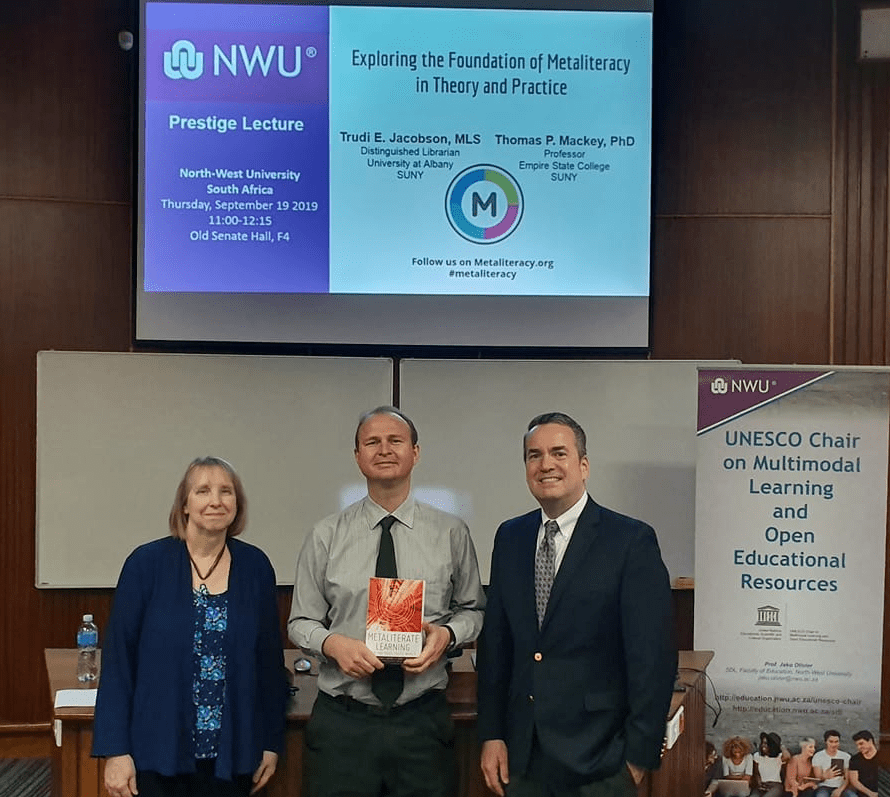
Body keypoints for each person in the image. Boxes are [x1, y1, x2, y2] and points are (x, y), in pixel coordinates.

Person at [288, 406, 486, 797]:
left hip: (422, 721)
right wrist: (332, 643)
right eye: (372, 442)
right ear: (357, 456)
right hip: (344, 723)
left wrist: (446, 636)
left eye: (395, 440)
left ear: (416, 452)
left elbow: (473, 611)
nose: (384, 449)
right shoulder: (326, 535)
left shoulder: (451, 532)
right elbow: (300, 622)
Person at [477, 412, 677, 797]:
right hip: (522, 760)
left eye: (558, 453)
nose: (545, 464)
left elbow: (653, 657)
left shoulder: (630, 541)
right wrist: (492, 734)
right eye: (533, 455)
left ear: (583, 466)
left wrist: (637, 759)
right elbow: (495, 646)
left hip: (600, 763)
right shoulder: (510, 536)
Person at [93, 456, 287, 797]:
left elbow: (269, 665)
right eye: (203, 491)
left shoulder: (255, 566)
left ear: (237, 504)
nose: (216, 501)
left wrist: (271, 742)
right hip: (156, 751)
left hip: (234, 755)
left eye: (226, 492)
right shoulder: (146, 564)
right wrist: (115, 750)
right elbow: (119, 662)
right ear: (185, 504)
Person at [813, 729, 855, 797]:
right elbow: (817, 778)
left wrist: (840, 790)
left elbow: (847, 778)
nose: (834, 744)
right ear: (825, 742)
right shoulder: (818, 756)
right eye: (831, 742)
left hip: (841, 786)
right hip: (824, 787)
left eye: (836, 742)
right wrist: (825, 776)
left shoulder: (845, 756)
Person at [751, 731, 785, 797]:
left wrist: (781, 746)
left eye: (766, 744)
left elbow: (787, 756)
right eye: (763, 743)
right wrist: (759, 783)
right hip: (762, 785)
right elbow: (756, 773)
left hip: (776, 785)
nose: (763, 745)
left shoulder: (779, 756)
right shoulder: (757, 756)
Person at [848, 730, 879, 797]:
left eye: (861, 743)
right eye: (857, 745)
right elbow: (854, 781)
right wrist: (870, 793)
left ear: (870, 741)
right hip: (863, 793)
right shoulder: (855, 759)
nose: (859, 747)